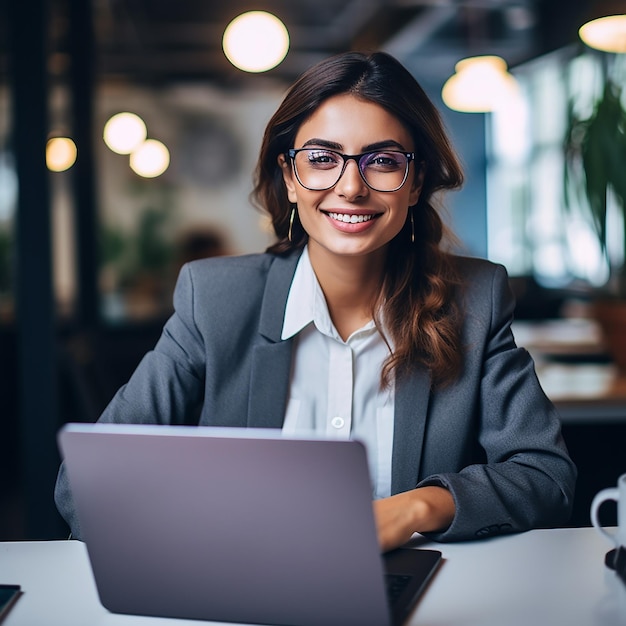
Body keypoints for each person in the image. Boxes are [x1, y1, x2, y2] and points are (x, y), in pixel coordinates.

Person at [55, 51, 576, 549]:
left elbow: (545, 477)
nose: (351, 187)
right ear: (289, 176)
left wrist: (415, 508)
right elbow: (85, 485)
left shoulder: (475, 299)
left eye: (383, 161)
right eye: (323, 159)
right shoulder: (214, 300)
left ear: (414, 183)